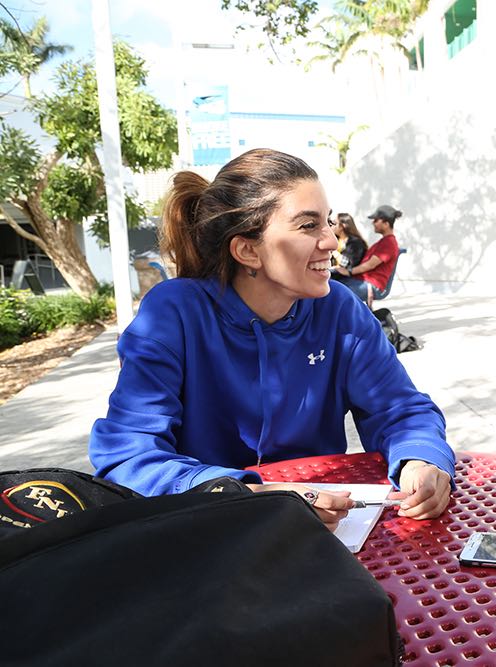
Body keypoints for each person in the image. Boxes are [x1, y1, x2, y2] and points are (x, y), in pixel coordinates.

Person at [89, 149, 454, 529]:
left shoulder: (339, 309)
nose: (331, 241)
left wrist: (421, 459)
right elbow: (128, 458)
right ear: (247, 250)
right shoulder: (173, 314)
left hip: (322, 533)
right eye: (308, 225)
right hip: (205, 534)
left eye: (328, 222)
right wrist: (246, 496)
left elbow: (400, 409)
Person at [332, 204, 401, 304]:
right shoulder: (384, 241)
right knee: (330, 286)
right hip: (362, 280)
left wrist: (349, 272)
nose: (373, 223)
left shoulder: (388, 243)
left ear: (386, 223)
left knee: (334, 294)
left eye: (376, 220)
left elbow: (370, 265)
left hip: (371, 284)